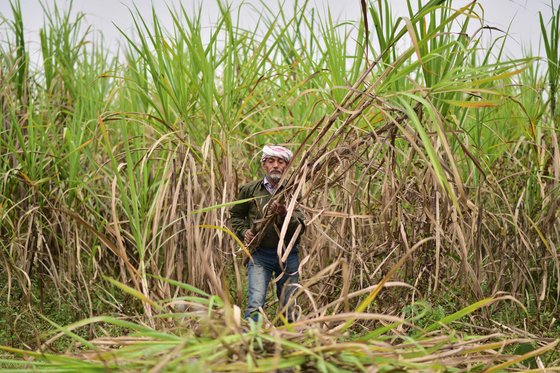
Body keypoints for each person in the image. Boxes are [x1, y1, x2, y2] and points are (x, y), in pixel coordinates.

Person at [230, 145, 305, 323]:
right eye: (270, 161)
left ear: (286, 167)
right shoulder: (249, 190)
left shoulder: (293, 192)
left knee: (289, 305)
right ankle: (251, 341)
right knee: (255, 302)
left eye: (280, 162)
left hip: (288, 255)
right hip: (259, 255)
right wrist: (244, 232)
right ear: (264, 165)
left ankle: (291, 342)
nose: (275, 166)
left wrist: (284, 214)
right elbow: (236, 215)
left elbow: (301, 226)